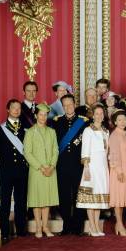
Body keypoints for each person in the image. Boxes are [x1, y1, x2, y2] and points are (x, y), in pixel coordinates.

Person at [0, 99, 29, 244]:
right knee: (5, 202)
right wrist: (5, 164)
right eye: (14, 108)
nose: (16, 110)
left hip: (22, 172)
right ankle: (5, 233)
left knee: (21, 202)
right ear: (8, 110)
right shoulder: (0, 130)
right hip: (6, 172)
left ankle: (21, 231)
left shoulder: (25, 129)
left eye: (19, 108)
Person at [51, 94, 89, 236]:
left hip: (78, 164)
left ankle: (78, 227)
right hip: (61, 165)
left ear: (75, 104)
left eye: (70, 104)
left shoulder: (84, 121)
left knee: (79, 196)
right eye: (65, 105)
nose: (68, 107)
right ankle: (67, 226)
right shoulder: (56, 122)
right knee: (64, 196)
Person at [23, 103, 59, 238]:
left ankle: (45, 227)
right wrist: (41, 167)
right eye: (41, 114)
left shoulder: (52, 132)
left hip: (50, 170)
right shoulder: (30, 132)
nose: (43, 117)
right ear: (36, 115)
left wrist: (51, 166)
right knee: (37, 200)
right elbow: (27, 153)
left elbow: (56, 150)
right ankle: (38, 227)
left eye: (45, 115)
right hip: (37, 171)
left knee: (47, 200)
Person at [77, 104, 110, 237]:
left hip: (102, 167)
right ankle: (91, 226)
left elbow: (107, 151)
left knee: (98, 198)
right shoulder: (88, 130)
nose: (99, 116)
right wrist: (86, 168)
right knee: (91, 199)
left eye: (102, 113)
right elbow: (85, 150)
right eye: (97, 113)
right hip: (91, 166)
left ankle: (97, 226)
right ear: (92, 115)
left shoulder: (105, 131)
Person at [108, 110, 126, 236]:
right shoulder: (114, 135)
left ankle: (118, 225)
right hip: (119, 171)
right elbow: (113, 155)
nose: (122, 122)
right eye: (120, 120)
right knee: (118, 199)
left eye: (124, 119)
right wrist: (118, 171)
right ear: (115, 122)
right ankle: (120, 225)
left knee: (122, 199)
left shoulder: (125, 134)